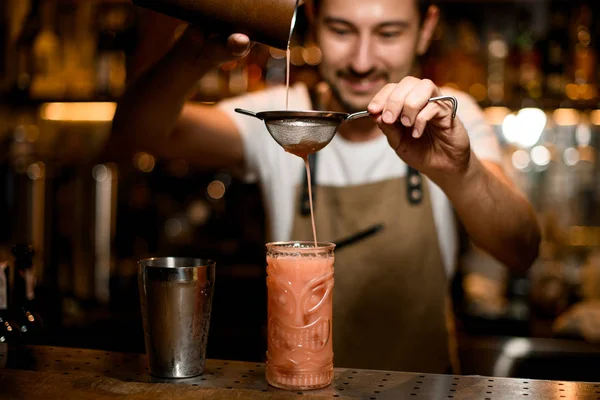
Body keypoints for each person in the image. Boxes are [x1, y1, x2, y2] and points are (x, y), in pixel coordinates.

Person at [112, 0, 541, 373]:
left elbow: (520, 250)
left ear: (425, 29)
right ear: (313, 21)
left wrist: (459, 171)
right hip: (297, 387)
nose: (361, 60)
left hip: (421, 389)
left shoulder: (445, 115)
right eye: (341, 30)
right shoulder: (283, 112)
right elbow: (139, 134)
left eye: (388, 33)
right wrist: (191, 55)